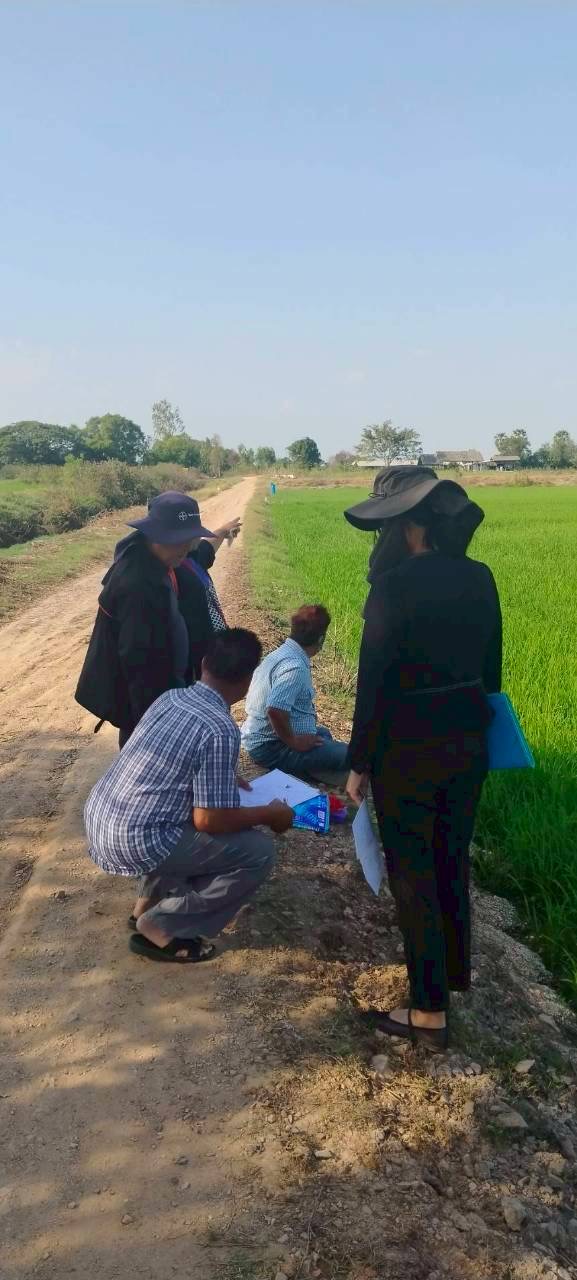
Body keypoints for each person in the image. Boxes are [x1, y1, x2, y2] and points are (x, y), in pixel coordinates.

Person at [344, 466, 502, 1053]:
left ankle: (428, 1012)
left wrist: (358, 765)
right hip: (467, 745)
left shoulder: (393, 588)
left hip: (406, 751)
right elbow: (492, 678)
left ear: (408, 525)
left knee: (413, 876)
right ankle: (450, 978)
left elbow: (373, 686)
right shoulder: (480, 578)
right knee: (449, 862)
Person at [84, 628, 293, 963]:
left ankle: (145, 907)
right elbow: (209, 820)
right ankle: (163, 927)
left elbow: (169, 766)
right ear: (247, 681)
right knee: (258, 852)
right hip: (135, 839)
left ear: (203, 663)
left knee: (169, 811)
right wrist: (269, 814)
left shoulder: (171, 698)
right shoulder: (220, 728)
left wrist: (220, 773)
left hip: (102, 819)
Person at [75, 491, 214, 747]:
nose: (185, 548)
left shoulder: (161, 561)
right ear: (154, 535)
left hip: (166, 693)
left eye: (189, 539)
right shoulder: (137, 585)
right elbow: (138, 665)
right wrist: (154, 725)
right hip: (146, 709)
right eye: (177, 540)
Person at [241, 604, 350, 782]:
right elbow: (275, 710)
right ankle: (313, 769)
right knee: (351, 756)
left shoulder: (281, 653)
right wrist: (293, 742)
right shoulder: (295, 667)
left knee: (322, 734)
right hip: (271, 747)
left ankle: (315, 766)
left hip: (261, 737)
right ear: (321, 639)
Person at [180, 515, 241, 634]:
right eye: (194, 534)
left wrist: (224, 530)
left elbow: (207, 547)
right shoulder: (165, 576)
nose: (199, 538)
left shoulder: (191, 557)